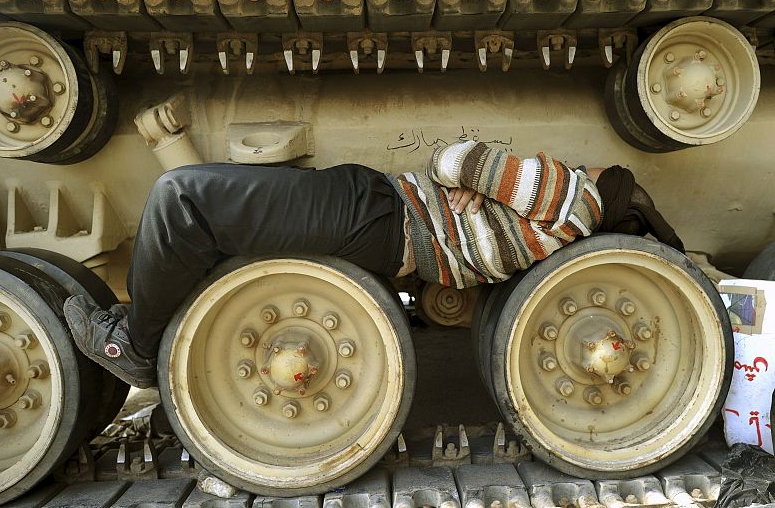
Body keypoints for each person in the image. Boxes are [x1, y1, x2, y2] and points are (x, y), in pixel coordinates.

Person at [63, 141, 683, 388]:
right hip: (388, 237)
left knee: (183, 195)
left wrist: (477, 176)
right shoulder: (564, 231)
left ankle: (137, 348)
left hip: (378, 210)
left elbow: (456, 159)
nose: (584, 160)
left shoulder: (573, 194)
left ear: (612, 187)